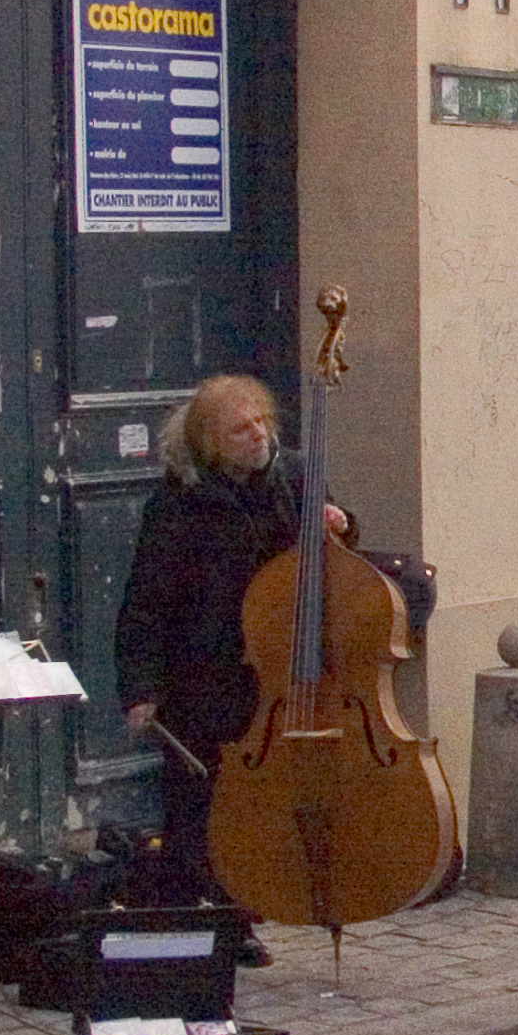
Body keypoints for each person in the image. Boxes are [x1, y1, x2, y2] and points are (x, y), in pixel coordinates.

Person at [115, 374, 350, 964]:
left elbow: (336, 555)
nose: (258, 435)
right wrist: (141, 687)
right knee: (204, 803)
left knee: (263, 802)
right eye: (241, 428)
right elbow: (146, 602)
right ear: (209, 442)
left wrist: (338, 522)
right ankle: (204, 921)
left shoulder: (294, 477)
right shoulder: (179, 501)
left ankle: (247, 913)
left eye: (262, 422)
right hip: (207, 668)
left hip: (281, 670)